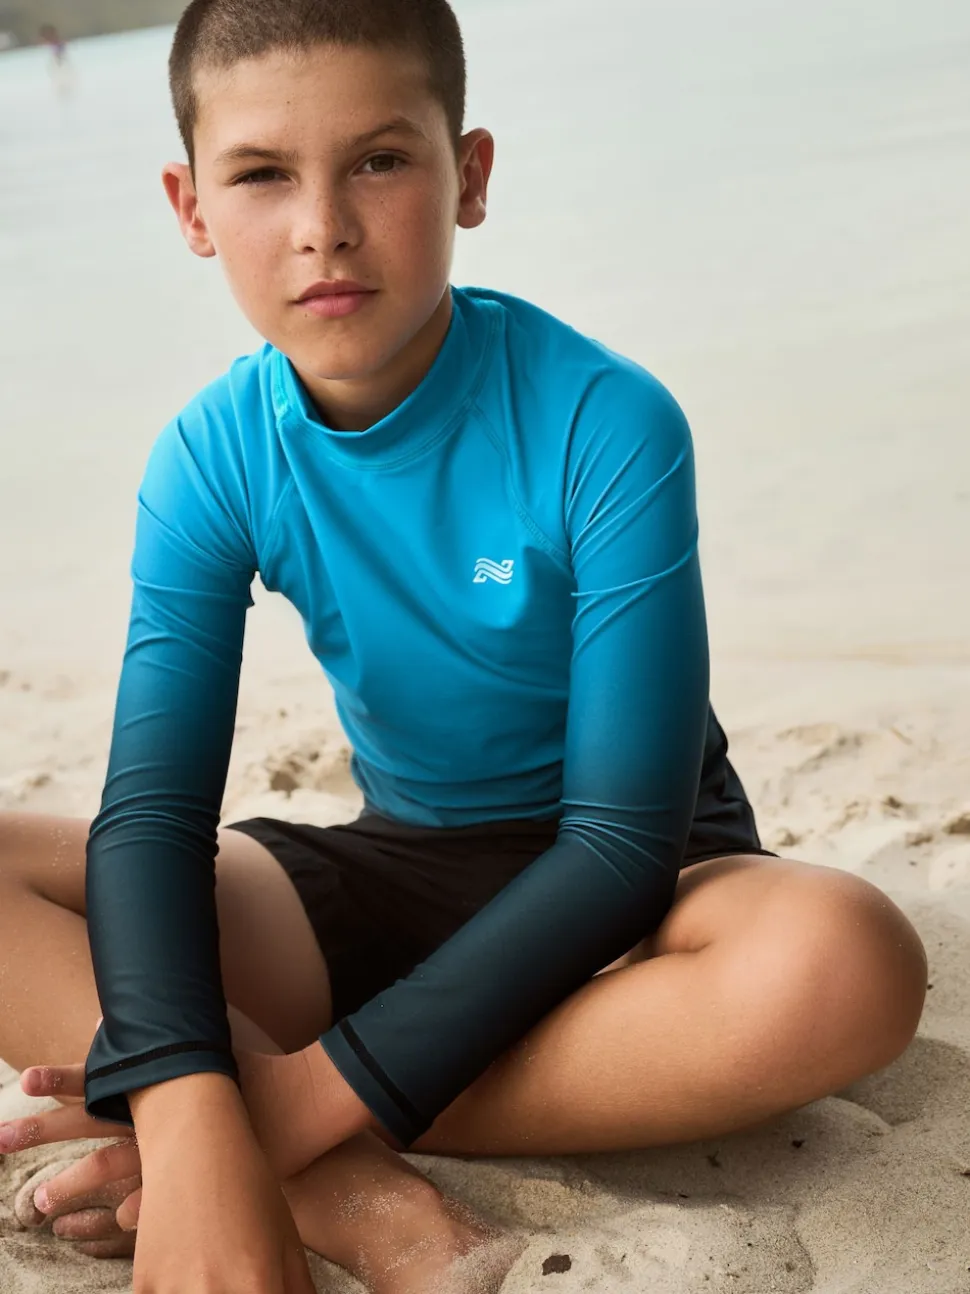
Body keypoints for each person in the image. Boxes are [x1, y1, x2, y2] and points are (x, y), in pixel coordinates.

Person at [0, 0, 928, 1291]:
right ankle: (315, 1179)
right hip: (395, 874)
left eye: (378, 160)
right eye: (262, 175)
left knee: (851, 961)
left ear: (469, 175)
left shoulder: (604, 420)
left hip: (647, 892)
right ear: (190, 206)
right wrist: (186, 1100)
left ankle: (279, 1133)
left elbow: (619, 847)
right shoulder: (210, 457)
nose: (323, 225)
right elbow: (153, 819)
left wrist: (272, 1103)